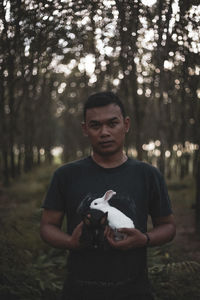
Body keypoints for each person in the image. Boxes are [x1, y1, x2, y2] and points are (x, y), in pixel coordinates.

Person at [40, 91, 176, 300]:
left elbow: (168, 226)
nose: (104, 132)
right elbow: (47, 226)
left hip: (135, 290)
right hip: (79, 291)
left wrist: (144, 239)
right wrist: (71, 242)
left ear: (126, 125)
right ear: (85, 129)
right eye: (95, 125)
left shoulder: (148, 175)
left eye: (112, 124)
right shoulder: (65, 175)